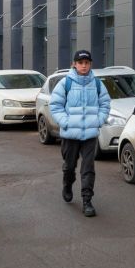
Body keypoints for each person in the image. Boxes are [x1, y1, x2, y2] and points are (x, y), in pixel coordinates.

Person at [49, 49, 110, 218]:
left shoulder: (97, 84)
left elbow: (105, 104)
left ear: (90, 64)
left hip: (90, 135)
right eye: (80, 63)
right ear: (74, 64)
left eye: (86, 63)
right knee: (69, 167)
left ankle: (87, 201)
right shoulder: (65, 83)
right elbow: (55, 105)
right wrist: (65, 122)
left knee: (88, 168)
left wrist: (98, 121)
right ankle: (67, 184)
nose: (84, 66)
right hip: (70, 134)